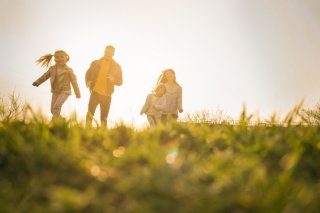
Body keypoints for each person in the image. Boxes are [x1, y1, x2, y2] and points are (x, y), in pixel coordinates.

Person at [32, 50, 81, 120]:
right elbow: (45, 76)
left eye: (62, 57)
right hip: (55, 91)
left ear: (66, 58)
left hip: (65, 91)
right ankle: (61, 120)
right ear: (54, 59)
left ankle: (54, 123)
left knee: (56, 107)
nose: (60, 59)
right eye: (57, 57)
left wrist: (77, 93)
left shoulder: (69, 70)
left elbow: (74, 82)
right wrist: (37, 82)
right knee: (52, 110)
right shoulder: (52, 69)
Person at [85, 45, 123, 127]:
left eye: (109, 52)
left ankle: (103, 135)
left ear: (113, 54)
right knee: (90, 114)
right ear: (104, 51)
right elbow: (88, 73)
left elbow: (120, 82)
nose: (107, 54)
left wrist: (114, 80)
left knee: (104, 118)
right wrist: (87, 81)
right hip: (95, 93)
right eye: (106, 52)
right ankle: (86, 131)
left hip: (107, 95)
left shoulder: (117, 66)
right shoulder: (95, 63)